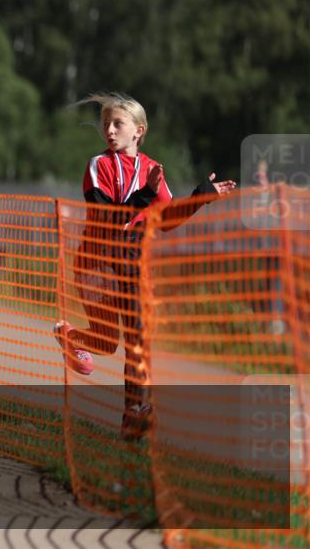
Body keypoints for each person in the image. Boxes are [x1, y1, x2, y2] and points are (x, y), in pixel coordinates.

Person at [57, 93, 236, 439]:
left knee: (137, 341)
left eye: (117, 123)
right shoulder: (98, 166)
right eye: (106, 123)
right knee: (107, 342)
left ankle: (133, 415)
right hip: (98, 266)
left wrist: (202, 195)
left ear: (139, 132)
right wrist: (144, 196)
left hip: (133, 267)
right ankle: (68, 335)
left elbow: (166, 220)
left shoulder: (152, 169)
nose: (109, 129)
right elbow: (106, 218)